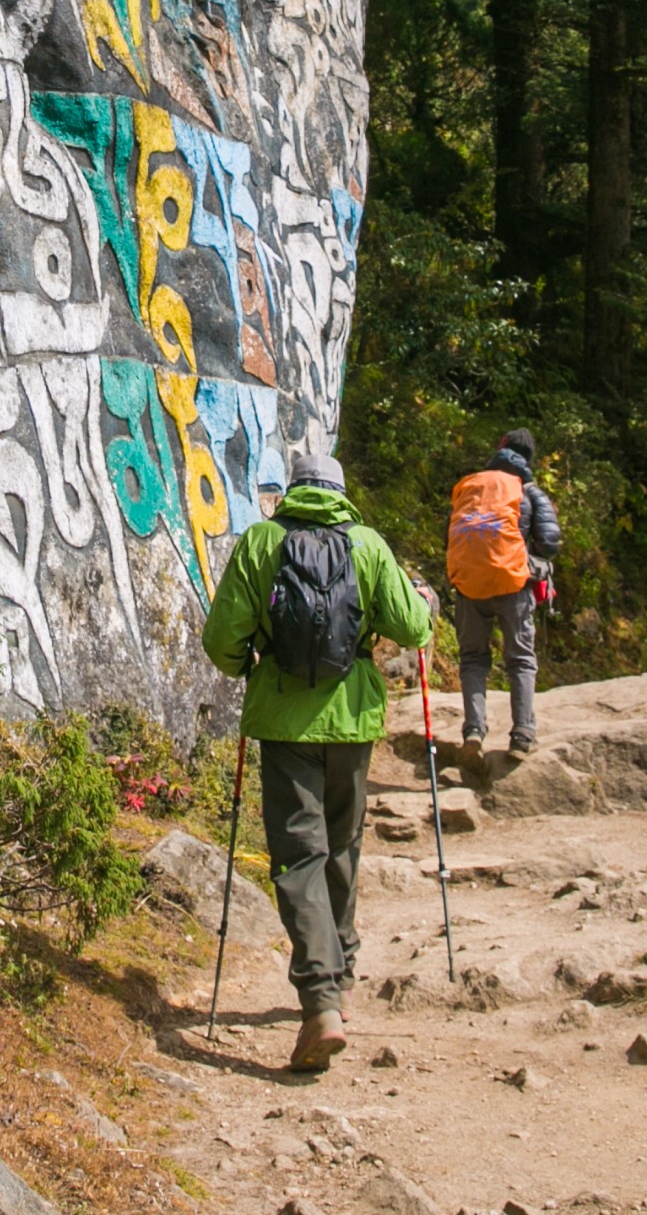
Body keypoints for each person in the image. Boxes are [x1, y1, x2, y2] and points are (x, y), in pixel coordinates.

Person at [201, 452, 433, 1072]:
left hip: (283, 721)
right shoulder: (368, 545)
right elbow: (411, 628)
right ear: (340, 492)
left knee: (298, 853)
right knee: (342, 844)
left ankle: (320, 1000)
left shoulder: (260, 542)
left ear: (294, 494)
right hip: (353, 720)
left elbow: (221, 640)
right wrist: (424, 605)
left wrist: (251, 666)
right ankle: (344, 976)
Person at [446, 427, 561, 763]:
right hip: (513, 584)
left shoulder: (470, 486)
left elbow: (449, 537)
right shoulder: (528, 492)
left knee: (472, 659)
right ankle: (522, 735)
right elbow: (550, 544)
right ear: (528, 459)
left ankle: (473, 731)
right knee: (521, 660)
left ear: (500, 449)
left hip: (469, 585)